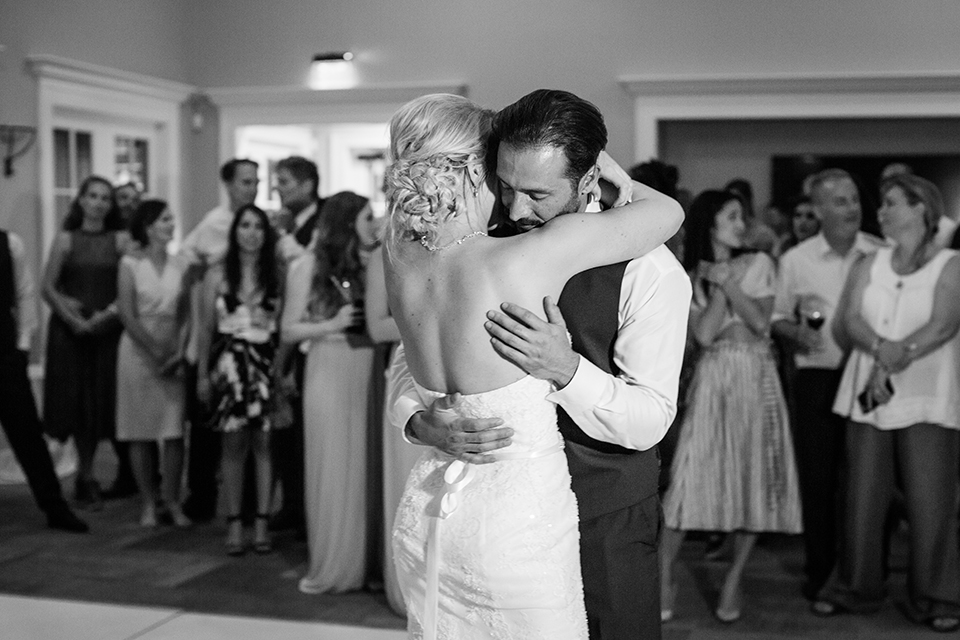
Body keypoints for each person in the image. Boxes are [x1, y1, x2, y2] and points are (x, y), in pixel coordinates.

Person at [386, 91, 685, 639]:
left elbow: (651, 419)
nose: (517, 209)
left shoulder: (650, 271)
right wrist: (417, 419)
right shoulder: (479, 240)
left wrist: (568, 370)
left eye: (537, 193)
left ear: (588, 180)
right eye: (505, 185)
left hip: (603, 516)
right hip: (483, 511)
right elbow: (406, 361)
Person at [813, 174, 960, 632]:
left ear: (921, 207)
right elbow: (849, 319)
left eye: (892, 202)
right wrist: (880, 349)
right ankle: (856, 589)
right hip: (868, 395)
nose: (880, 212)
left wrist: (897, 355)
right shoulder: (868, 261)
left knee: (931, 502)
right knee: (861, 496)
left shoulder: (951, 263)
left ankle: (937, 597)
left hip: (926, 395)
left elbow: (944, 324)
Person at [658, 189, 802, 623]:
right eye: (733, 216)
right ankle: (664, 574)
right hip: (713, 378)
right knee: (688, 478)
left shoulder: (760, 263)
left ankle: (735, 578)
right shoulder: (683, 275)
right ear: (711, 223)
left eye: (743, 216)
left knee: (752, 480)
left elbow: (760, 323)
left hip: (758, 377)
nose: (742, 224)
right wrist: (717, 282)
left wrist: (728, 280)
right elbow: (702, 335)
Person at [771, 168, 883, 601]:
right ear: (817, 210)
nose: (852, 208)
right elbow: (777, 317)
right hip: (817, 379)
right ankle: (821, 575)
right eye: (840, 201)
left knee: (867, 482)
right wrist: (795, 332)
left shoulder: (879, 252)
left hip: (867, 376)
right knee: (819, 482)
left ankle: (866, 575)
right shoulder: (796, 260)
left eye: (854, 199)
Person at [280, 191, 373, 593]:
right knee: (332, 463)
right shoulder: (305, 267)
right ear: (347, 221)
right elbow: (288, 330)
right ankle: (335, 559)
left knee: (363, 466)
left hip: (368, 367)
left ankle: (367, 559)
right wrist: (331, 324)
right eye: (368, 218)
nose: (374, 224)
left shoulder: (372, 264)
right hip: (328, 367)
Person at [196, 204, 281, 555]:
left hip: (264, 364)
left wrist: (282, 369)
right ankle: (234, 522)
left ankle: (260, 523)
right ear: (235, 231)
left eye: (258, 226)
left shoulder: (276, 273)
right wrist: (202, 373)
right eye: (244, 225)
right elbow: (204, 328)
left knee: (263, 445)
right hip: (229, 364)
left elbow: (284, 328)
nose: (251, 232)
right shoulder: (217, 274)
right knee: (232, 446)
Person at [42, 175, 128, 511]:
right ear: (80, 200)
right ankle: (85, 475)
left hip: (108, 330)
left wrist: (101, 320)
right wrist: (75, 320)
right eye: (92, 196)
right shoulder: (64, 240)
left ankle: (104, 474)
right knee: (77, 405)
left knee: (102, 403)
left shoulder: (120, 241)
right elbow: (48, 287)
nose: (98, 203)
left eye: (105, 198)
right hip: (70, 333)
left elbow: (128, 288)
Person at [180, 158, 259, 523]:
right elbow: (186, 261)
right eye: (245, 182)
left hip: (253, 337)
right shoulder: (213, 224)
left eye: (255, 182)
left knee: (250, 432)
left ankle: (245, 505)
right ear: (228, 185)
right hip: (217, 330)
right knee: (209, 423)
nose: (252, 188)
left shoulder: (259, 222)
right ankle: (202, 496)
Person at [0, 227, 88, 533]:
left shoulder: (10, 243)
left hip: (5, 356)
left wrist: (22, 348)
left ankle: (54, 507)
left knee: (28, 435)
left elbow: (24, 295)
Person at [115, 200, 192, 528]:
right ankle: (148, 502)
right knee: (140, 432)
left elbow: (187, 312)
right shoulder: (130, 264)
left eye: (172, 219)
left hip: (173, 351)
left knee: (173, 432)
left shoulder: (181, 264)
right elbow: (127, 314)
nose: (171, 224)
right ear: (147, 227)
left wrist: (179, 350)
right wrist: (154, 349)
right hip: (137, 352)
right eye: (164, 220)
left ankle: (172, 500)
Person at [269, 155, 326, 535]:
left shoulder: (323, 226)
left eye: (285, 182)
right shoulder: (289, 225)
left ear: (307, 185)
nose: (279, 189)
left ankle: (305, 509)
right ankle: (291, 504)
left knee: (302, 432)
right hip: (283, 328)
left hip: (310, 340)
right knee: (284, 431)